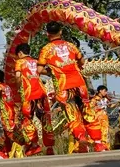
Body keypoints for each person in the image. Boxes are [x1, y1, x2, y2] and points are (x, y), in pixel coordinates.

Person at [37, 21, 91, 152]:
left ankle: (81, 138)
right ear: (60, 31)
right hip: (79, 84)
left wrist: (51, 72)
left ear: (47, 34)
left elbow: (39, 70)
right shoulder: (71, 46)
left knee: (71, 115)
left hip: (63, 86)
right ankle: (98, 143)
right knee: (87, 112)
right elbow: (82, 62)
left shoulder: (46, 49)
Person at [14, 43, 54, 156]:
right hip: (41, 93)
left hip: (29, 94)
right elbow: (46, 72)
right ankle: (50, 147)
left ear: (20, 53)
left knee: (27, 119)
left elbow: (17, 76)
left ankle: (34, 145)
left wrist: (18, 88)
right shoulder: (36, 61)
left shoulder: (19, 62)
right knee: (46, 119)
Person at [0, 69, 21, 159]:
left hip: (7, 113)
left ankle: (19, 151)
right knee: (6, 135)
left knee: (10, 132)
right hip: (10, 111)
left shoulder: (1, 86)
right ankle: (8, 152)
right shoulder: (7, 86)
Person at [85, 85, 111, 151]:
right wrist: (98, 108)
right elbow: (90, 108)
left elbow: (109, 105)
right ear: (100, 91)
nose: (105, 93)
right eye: (104, 91)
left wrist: (116, 104)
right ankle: (98, 146)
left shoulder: (105, 99)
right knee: (99, 133)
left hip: (104, 118)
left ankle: (104, 146)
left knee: (105, 132)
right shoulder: (94, 99)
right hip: (98, 119)